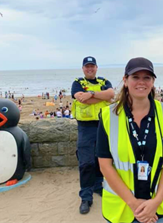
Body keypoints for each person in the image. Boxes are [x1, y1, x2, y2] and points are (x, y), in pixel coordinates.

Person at [96, 57, 163, 223]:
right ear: (125, 80)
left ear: (153, 81)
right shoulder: (108, 116)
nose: (141, 82)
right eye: (135, 77)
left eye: (146, 77)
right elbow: (105, 165)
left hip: (158, 209)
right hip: (122, 209)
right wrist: (134, 204)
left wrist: (156, 201)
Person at [71, 56, 114, 214]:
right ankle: (86, 196)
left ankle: (97, 186)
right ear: (83, 69)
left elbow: (110, 94)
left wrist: (91, 94)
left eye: (92, 66)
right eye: (87, 67)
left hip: (103, 125)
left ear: (97, 67)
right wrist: (98, 97)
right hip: (86, 127)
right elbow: (81, 99)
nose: (90, 69)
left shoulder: (104, 81)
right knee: (86, 162)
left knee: (101, 159)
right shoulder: (78, 83)